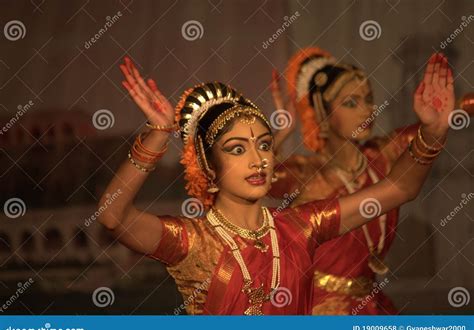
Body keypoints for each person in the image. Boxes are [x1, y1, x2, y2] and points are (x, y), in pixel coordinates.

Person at [97, 53, 454, 315]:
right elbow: (113, 217)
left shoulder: (301, 227)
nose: (259, 159)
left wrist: (434, 131)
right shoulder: (193, 241)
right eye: (237, 149)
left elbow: (398, 189)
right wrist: (157, 136)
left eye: (265, 145)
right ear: (208, 165)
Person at [269, 48, 450, 314]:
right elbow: (238, 177)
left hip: (371, 304)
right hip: (319, 310)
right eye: (351, 103)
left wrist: (446, 115)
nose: (367, 110)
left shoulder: (384, 154)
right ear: (323, 113)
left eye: (368, 100)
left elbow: (434, 127)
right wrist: (282, 132)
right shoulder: (305, 174)